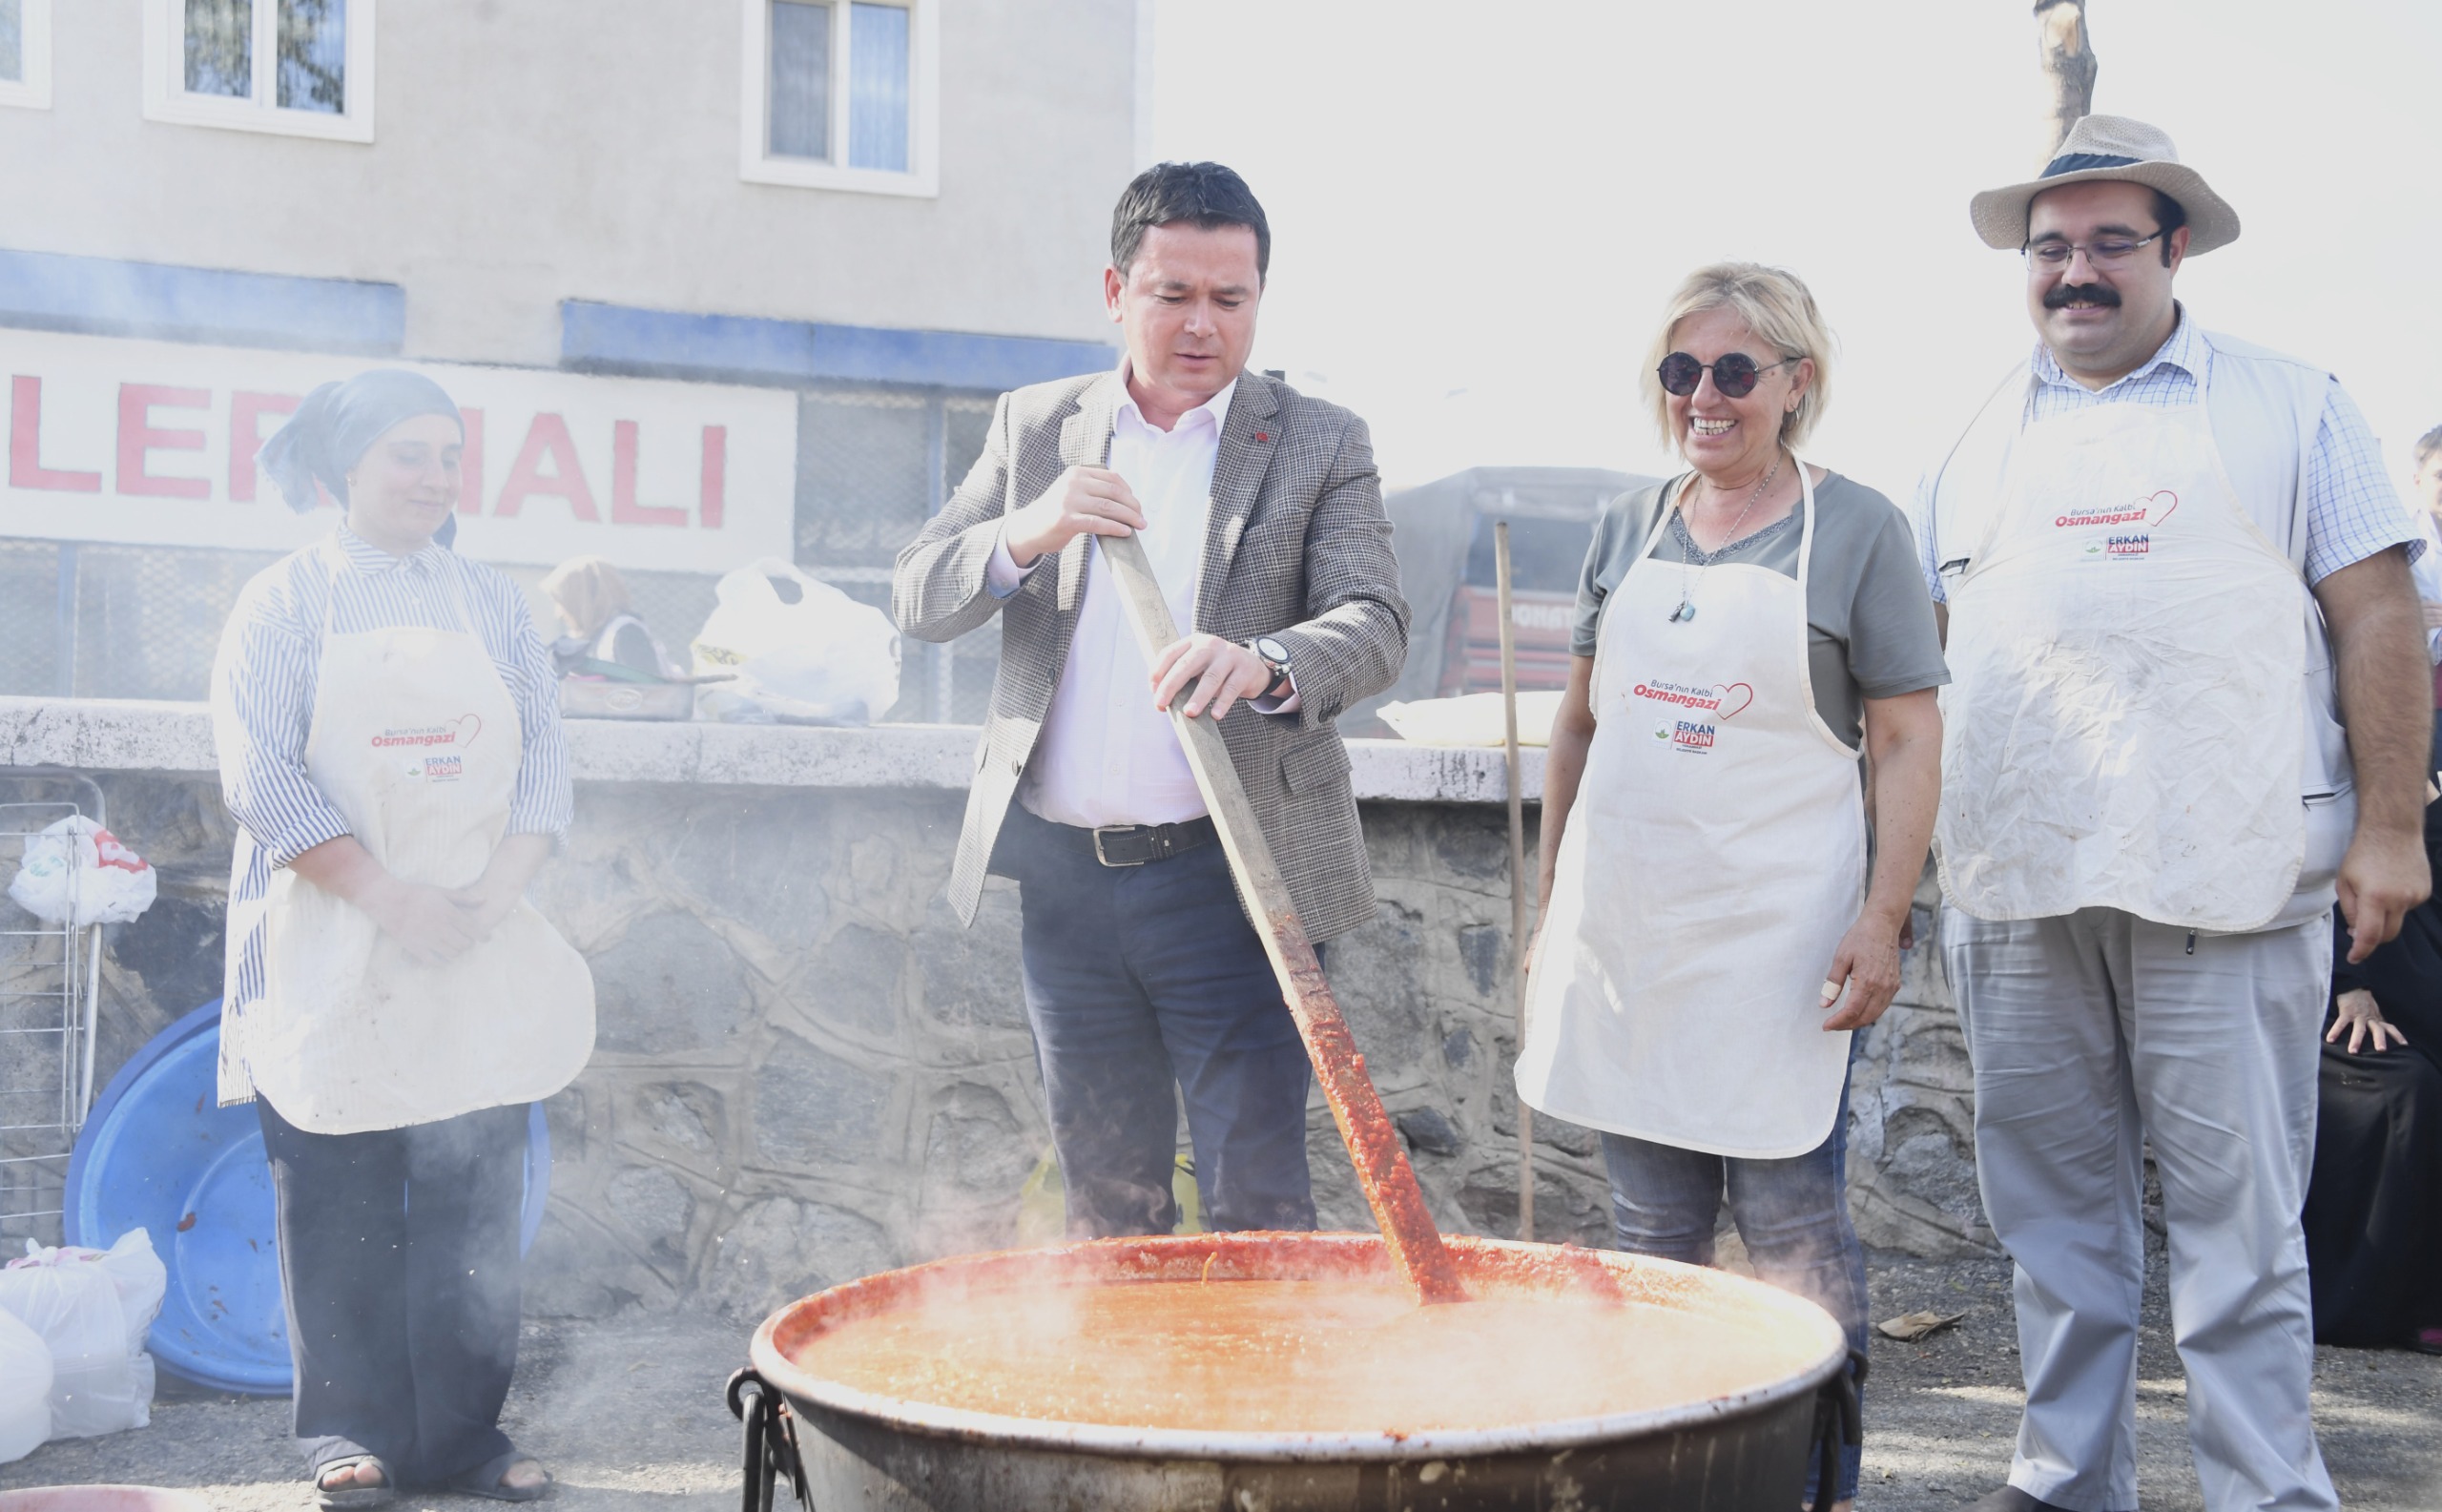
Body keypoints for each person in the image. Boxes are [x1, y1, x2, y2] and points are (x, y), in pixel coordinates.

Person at [1913, 116, 2432, 1512]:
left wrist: (2391, 827)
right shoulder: (1967, 433)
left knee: (2239, 1228)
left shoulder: (2294, 406)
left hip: (2232, 862)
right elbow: (1927, 664)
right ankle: (2065, 1478)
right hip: (2020, 873)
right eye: (2051, 248)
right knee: (2048, 1219)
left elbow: (2378, 614)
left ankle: (2265, 1492)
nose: (2076, 272)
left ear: (2176, 248)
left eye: (2110, 244)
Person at [892, 161, 1406, 1237]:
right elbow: (917, 594)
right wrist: (1025, 532)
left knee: (1257, 1202)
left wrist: (1267, 661)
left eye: (1231, 298)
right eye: (1174, 294)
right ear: (1115, 291)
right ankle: (1127, 1355)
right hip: (1066, 888)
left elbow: (1375, 623)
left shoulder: (1320, 439)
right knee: (1107, 1203)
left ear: (1259, 299)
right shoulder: (1035, 424)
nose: (1202, 324)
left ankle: (1258, 1358)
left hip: (1237, 879)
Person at [1517, 262, 1946, 1512]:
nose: (1703, 396)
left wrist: (1881, 918)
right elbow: (1578, 727)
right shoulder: (1626, 527)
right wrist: (1551, 908)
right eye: (1680, 370)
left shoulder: (1858, 529)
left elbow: (1907, 739)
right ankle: (1662, 1479)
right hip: (1630, 931)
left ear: (1795, 382)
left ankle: (1816, 1486)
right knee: (1651, 1237)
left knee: (1792, 1232)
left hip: (1779, 942)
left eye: (1733, 371)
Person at [210, 369, 595, 1508]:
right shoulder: (285, 602)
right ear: (345, 469)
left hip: (474, 937)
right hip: (332, 936)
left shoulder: (492, 602)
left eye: (448, 455)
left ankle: (466, 1438)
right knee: (339, 1193)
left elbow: (545, 758)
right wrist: (388, 895)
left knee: (471, 1199)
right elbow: (260, 777)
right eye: (407, 454)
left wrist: (491, 893)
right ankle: (348, 1431)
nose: (434, 477)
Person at [2303, 782, 2442, 1354]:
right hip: (2339, 975)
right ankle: (2393, 1305)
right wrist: (2348, 983)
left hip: (2418, 960)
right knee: (2406, 1087)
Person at [540, 554, 679, 678]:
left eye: (563, 603)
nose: (558, 614)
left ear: (584, 599)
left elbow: (649, 693)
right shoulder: (601, 635)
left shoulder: (626, 634)